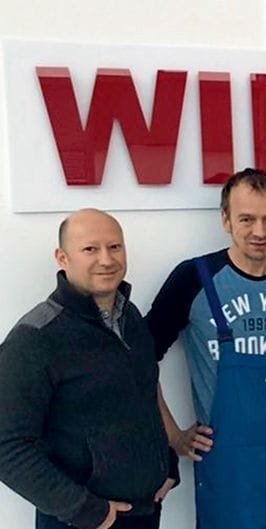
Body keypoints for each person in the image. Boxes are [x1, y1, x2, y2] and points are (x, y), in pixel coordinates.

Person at [146, 168, 266, 529]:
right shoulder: (193, 278)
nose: (259, 231)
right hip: (230, 470)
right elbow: (139, 360)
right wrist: (174, 436)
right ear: (226, 220)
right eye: (246, 219)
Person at [0, 209, 177, 529]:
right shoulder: (36, 337)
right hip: (82, 521)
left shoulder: (130, 317)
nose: (106, 260)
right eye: (90, 249)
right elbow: (7, 446)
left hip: (144, 513)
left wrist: (167, 463)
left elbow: (144, 396)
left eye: (114, 247)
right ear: (62, 258)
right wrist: (85, 510)